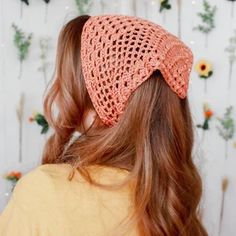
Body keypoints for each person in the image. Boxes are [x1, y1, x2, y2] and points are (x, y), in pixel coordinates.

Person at [0, 15, 208, 236]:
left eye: (67, 78)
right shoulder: (172, 204)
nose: (60, 89)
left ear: (101, 101)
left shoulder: (42, 192)